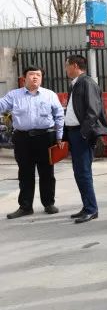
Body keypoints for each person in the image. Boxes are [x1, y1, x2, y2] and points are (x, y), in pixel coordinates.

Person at [1, 66, 64, 219]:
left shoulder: (49, 95)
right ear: (24, 78)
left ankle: (48, 203)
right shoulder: (14, 95)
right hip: (22, 139)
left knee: (47, 172)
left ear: (41, 78)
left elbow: (59, 115)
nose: (35, 77)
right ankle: (25, 206)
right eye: (31, 74)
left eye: (38, 75)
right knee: (25, 173)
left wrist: (59, 137)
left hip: (46, 138)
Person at [64, 55, 107, 224]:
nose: (65, 69)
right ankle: (87, 206)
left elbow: (93, 110)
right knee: (79, 173)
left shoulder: (87, 83)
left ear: (75, 66)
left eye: (67, 65)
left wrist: (84, 133)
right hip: (74, 133)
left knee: (83, 173)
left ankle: (91, 209)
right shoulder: (75, 83)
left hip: (81, 134)